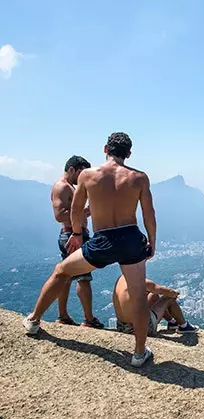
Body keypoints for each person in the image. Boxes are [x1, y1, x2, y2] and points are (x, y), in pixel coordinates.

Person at [23, 132, 158, 367]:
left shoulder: (87, 175)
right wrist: (152, 242)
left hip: (103, 239)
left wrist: (76, 235)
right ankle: (138, 353)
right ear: (128, 154)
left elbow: (76, 210)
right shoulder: (139, 178)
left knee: (62, 271)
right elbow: (149, 214)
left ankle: (34, 321)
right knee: (138, 296)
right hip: (130, 238)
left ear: (105, 148)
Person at [51, 155, 103, 328]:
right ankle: (89, 319)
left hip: (73, 233)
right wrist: (80, 214)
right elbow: (59, 215)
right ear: (72, 169)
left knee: (65, 275)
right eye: (80, 173)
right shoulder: (62, 187)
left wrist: (84, 212)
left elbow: (73, 212)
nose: (82, 178)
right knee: (83, 277)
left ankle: (62, 316)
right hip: (72, 235)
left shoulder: (69, 188)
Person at [113, 275, 198, 335]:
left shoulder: (120, 279)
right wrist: (175, 293)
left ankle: (172, 322)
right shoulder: (140, 281)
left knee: (153, 296)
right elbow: (169, 293)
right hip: (140, 329)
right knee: (169, 299)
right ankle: (184, 326)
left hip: (121, 327)